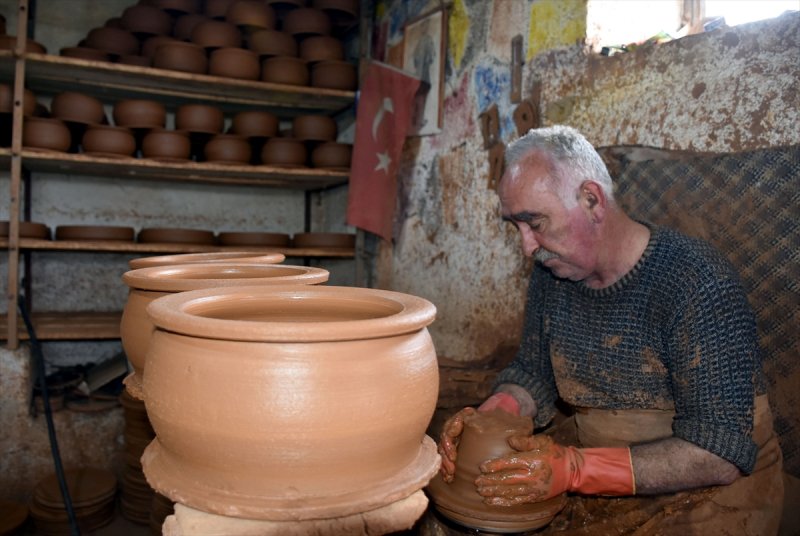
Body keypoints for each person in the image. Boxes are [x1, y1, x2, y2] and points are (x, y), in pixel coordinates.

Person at [437, 125, 784, 534]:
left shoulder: (695, 280)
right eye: (515, 227)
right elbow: (533, 374)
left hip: (712, 497)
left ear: (591, 200)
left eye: (535, 223)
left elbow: (719, 454)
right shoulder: (553, 274)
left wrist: (576, 470)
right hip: (604, 478)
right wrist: (496, 414)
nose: (527, 246)